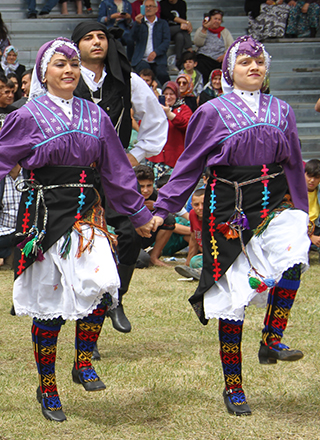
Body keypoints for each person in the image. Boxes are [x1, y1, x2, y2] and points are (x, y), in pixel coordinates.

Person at [0, 37, 156, 422]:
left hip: (88, 212)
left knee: (103, 285)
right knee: (49, 308)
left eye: (73, 63)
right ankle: (47, 387)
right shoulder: (27, 115)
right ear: (43, 72)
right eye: (59, 64)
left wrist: (139, 214)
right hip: (46, 215)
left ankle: (83, 361)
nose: (68, 70)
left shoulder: (96, 115)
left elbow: (118, 170)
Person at [152, 36, 308, 417]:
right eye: (244, 62)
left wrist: (302, 210)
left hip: (272, 201)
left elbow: (294, 162)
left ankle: (272, 338)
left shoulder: (282, 110)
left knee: (294, 254)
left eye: (258, 61)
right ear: (228, 72)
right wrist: (164, 207)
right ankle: (233, 386)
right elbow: (189, 165)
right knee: (233, 298)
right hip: (229, 208)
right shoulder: (212, 111)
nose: (253, 66)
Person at [71, 21, 167, 334]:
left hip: (114, 174)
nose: (97, 42)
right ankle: (81, 318)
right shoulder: (61, 77)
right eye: (88, 38)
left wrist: (134, 156)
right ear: (75, 46)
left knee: (129, 231)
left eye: (101, 37)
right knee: (80, 242)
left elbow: (154, 120)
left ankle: (117, 298)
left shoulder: (127, 80)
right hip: (73, 176)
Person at [147, 80, 192, 178]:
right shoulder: (155, 109)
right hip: (155, 158)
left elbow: (187, 125)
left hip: (174, 159)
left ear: (177, 95)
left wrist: (170, 114)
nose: (168, 97)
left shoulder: (184, 109)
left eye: (172, 94)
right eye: (165, 94)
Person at [131, 0, 171, 84]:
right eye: (146, 6)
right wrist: (137, 24)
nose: (148, 8)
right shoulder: (139, 23)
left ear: (156, 9)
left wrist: (156, 52)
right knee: (145, 73)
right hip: (141, 59)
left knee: (162, 74)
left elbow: (166, 41)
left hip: (158, 59)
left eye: (151, 6)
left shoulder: (163, 23)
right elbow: (131, 38)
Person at [193, 9, 234, 83]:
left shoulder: (225, 32)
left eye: (219, 20)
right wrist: (204, 29)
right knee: (200, 62)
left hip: (219, 60)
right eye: (215, 19)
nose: (217, 21)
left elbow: (231, 46)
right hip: (204, 59)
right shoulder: (202, 29)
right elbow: (197, 43)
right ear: (209, 19)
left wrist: (224, 55)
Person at [174, 188, 205, 280]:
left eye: (204, 204)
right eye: (196, 205)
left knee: (196, 261)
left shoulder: (215, 216)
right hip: (205, 255)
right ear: (192, 205)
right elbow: (193, 238)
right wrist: (187, 263)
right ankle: (199, 270)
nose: (200, 208)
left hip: (218, 254)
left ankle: (203, 271)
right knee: (194, 262)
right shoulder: (192, 214)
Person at [159, 0, 194, 69]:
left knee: (180, 36)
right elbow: (169, 16)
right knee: (184, 28)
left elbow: (183, 17)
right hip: (165, 30)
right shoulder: (162, 3)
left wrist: (185, 24)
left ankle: (178, 60)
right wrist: (187, 23)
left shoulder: (182, 3)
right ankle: (189, 49)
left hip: (178, 31)